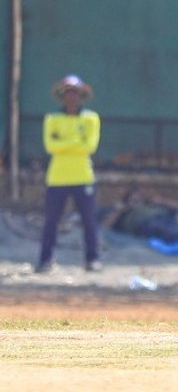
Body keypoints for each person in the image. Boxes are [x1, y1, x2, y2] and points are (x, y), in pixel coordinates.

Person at [36, 74, 103, 273]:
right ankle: (45, 260)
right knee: (51, 221)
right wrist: (77, 140)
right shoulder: (52, 118)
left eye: (75, 92)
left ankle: (93, 259)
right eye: (68, 92)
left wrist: (64, 142)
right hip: (57, 177)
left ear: (81, 95)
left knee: (89, 221)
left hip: (83, 177)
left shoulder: (91, 118)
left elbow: (90, 146)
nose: (71, 96)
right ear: (62, 95)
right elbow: (51, 146)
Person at [104, 189, 178, 246]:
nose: (138, 201)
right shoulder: (124, 214)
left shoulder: (152, 205)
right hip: (147, 224)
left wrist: (161, 201)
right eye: (134, 200)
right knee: (162, 228)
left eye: (140, 198)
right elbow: (104, 228)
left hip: (169, 218)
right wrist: (120, 210)